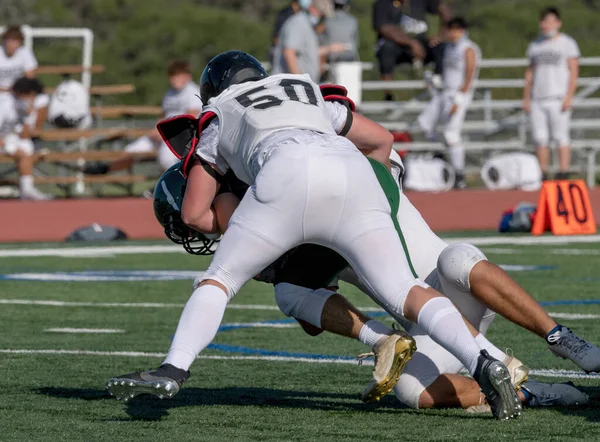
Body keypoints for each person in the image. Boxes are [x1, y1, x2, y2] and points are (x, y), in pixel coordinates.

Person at [107, 50, 525, 420]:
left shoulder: (219, 112)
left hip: (287, 173)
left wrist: (235, 226)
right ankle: (484, 360)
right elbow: (379, 139)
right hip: (354, 170)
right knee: (406, 291)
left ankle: (173, 367)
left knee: (220, 279)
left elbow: (195, 213)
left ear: (213, 92)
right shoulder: (304, 89)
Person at [150, 147, 591, 410]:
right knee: (411, 391)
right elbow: (308, 316)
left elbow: (382, 150)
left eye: (196, 224)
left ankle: (565, 340)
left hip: (447, 287)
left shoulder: (322, 179)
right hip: (422, 320)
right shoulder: (279, 220)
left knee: (456, 257)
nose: (203, 230)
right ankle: (528, 390)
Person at [84, 60, 201, 175]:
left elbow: (191, 117)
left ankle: (169, 187)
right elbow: (163, 115)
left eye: (177, 75)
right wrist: (157, 129)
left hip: (179, 137)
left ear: (187, 76)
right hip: (163, 134)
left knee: (167, 160)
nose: (173, 79)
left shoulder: (192, 91)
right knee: (132, 150)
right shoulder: (170, 93)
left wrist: (168, 132)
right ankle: (105, 169)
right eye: (172, 76)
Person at [417, 17, 480, 189]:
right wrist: (436, 81)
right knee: (424, 123)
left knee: (452, 133)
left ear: (460, 30)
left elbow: (469, 76)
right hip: (444, 92)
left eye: (452, 30)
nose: (449, 34)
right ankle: (439, 155)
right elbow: (447, 72)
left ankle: (459, 174)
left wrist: (459, 99)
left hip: (458, 94)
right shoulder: (449, 48)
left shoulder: (468, 48)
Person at [523, 7, 580, 181]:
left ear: (558, 23)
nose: (546, 25)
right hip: (538, 98)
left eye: (550, 21)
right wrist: (526, 97)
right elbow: (530, 73)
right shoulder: (535, 45)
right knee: (540, 138)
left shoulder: (567, 43)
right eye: (544, 21)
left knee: (560, 137)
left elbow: (574, 70)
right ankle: (543, 173)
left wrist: (569, 96)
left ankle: (563, 172)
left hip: (558, 98)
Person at [372, 0, 452, 101]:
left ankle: (438, 82)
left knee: (441, 46)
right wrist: (411, 43)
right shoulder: (382, 4)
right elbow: (384, 29)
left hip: (420, 45)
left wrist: (441, 36)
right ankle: (388, 94)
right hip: (396, 46)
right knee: (387, 48)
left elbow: (444, 9)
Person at [0, 79, 51, 200]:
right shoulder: (4, 104)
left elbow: (25, 135)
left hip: (7, 138)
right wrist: (7, 147)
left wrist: (29, 115)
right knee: (20, 149)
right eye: (30, 95)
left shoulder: (24, 107)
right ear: (20, 93)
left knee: (26, 146)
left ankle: (27, 189)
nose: (32, 98)